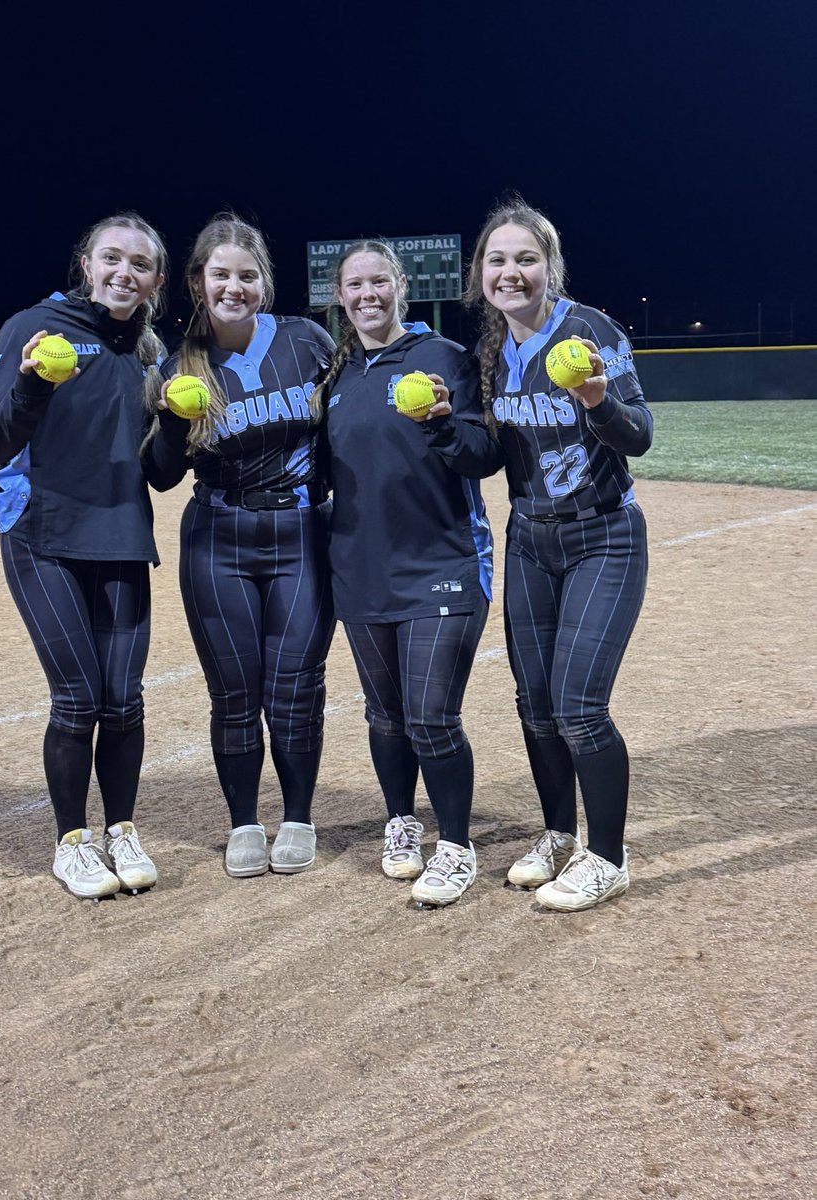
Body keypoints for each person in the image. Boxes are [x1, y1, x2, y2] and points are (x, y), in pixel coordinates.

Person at [0, 212, 185, 900]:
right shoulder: (36, 329)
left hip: (122, 536)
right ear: (87, 265)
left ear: (155, 280)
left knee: (123, 701)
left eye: (140, 265)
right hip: (45, 535)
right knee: (78, 698)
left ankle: (120, 829)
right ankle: (73, 842)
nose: (124, 274)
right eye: (111, 259)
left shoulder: (148, 356)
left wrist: (178, 427)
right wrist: (34, 383)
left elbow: (158, 472)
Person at [464, 193, 653, 911]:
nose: (511, 272)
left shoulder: (589, 329)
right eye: (498, 259)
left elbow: (638, 437)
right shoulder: (491, 349)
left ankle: (608, 856)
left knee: (578, 706)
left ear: (551, 266)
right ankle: (557, 833)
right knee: (535, 703)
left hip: (603, 534)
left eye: (526, 259)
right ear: (481, 271)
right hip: (531, 539)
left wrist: (599, 400)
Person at [312, 240, 496, 907]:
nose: (368, 295)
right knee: (385, 715)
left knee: (430, 716)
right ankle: (400, 821)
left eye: (379, 281)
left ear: (401, 287)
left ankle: (454, 845)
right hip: (360, 569)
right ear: (340, 296)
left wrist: (445, 422)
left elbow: (485, 456)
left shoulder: (446, 360)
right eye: (355, 285)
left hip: (441, 565)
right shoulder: (334, 378)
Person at [152, 214, 336, 878]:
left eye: (247, 275)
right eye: (220, 274)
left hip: (301, 535)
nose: (235, 286)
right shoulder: (181, 363)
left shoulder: (308, 340)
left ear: (265, 281)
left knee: (295, 687)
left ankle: (297, 817)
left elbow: (347, 428)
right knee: (233, 693)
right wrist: (173, 419)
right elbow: (162, 474)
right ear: (199, 282)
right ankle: (242, 825)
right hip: (217, 538)